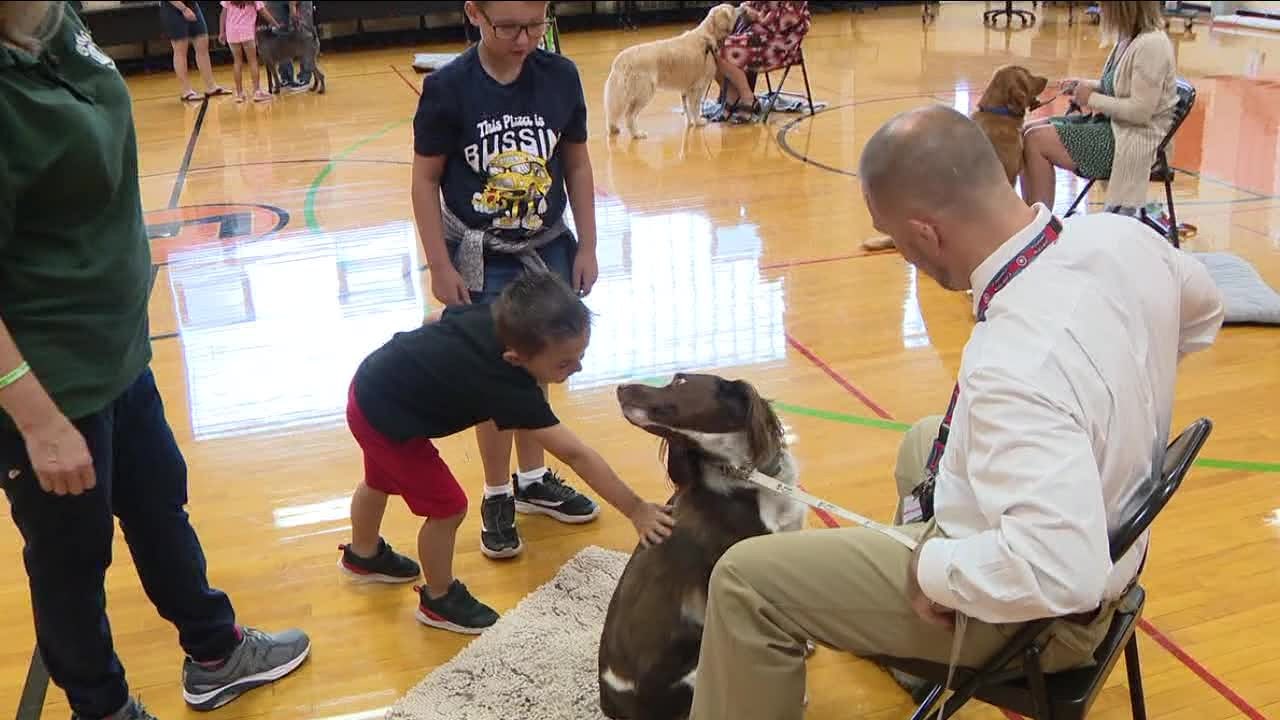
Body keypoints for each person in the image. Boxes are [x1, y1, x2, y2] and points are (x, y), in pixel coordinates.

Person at [687, 105, 1223, 719]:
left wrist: (932, 571)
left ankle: (923, 620)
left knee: (743, 580)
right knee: (923, 442)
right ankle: (905, 646)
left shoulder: (1015, 362)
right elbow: (1204, 312)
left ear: (925, 234)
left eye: (895, 238)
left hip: (1051, 618)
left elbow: (1061, 571)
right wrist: (1119, 375)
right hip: (1118, 539)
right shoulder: (1121, 237)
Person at [0, 4, 310, 720]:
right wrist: (39, 422)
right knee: (71, 564)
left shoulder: (54, 16)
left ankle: (214, 649)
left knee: (158, 501)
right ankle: (102, 708)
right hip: (50, 384)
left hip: (118, 351)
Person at [339, 272, 674, 633]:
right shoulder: (509, 388)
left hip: (370, 386)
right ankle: (438, 599)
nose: (577, 368)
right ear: (515, 358)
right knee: (447, 507)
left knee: (378, 480)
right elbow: (576, 455)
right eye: (564, 363)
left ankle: (364, 554)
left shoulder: (489, 317)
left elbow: (432, 320)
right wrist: (637, 510)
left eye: (580, 355)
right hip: (388, 419)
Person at [410, 0, 603, 562]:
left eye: (535, 24)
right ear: (474, 14)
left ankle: (533, 480)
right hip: (481, 257)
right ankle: (498, 492)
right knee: (494, 374)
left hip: (547, 250)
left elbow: (578, 164)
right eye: (508, 28)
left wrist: (588, 242)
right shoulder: (448, 88)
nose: (524, 40)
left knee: (538, 361)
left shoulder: (560, 76)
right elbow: (425, 182)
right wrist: (439, 266)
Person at [1021, 1, 1178, 214]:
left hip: (1134, 141)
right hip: (1116, 128)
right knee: (1027, 133)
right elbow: (1117, 86)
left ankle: (1040, 230)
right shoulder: (1129, 38)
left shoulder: (1152, 45)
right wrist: (1083, 85)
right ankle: (1032, 221)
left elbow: (1140, 112)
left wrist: (1091, 98)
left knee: (1036, 140)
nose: (1100, 9)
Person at [714, 1, 810, 123]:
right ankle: (731, 96)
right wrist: (746, 9)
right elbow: (749, 4)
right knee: (712, 46)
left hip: (779, 45)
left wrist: (758, 16)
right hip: (757, 36)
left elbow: (785, 21)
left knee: (724, 49)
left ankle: (747, 97)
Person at [159, 1, 229, 101]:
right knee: (180, 49)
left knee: (202, 42)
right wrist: (184, 9)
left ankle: (211, 86)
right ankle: (186, 91)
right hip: (173, 9)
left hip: (192, 5)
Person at [218, 0, 279, 103]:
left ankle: (239, 94)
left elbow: (223, 14)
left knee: (237, 62)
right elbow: (263, 11)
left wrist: (221, 32)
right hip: (247, 32)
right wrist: (275, 24)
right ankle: (256, 92)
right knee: (252, 61)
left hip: (231, 32)